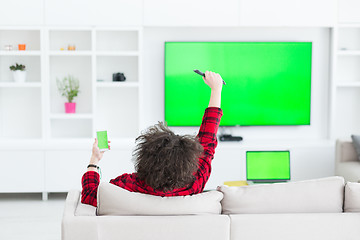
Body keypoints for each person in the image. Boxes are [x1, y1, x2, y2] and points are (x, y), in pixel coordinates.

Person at [81, 71, 224, 207]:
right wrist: (216, 90)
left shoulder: (127, 185)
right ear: (188, 163)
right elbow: (207, 139)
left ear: (143, 158)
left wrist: (94, 159)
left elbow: (89, 195)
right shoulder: (195, 183)